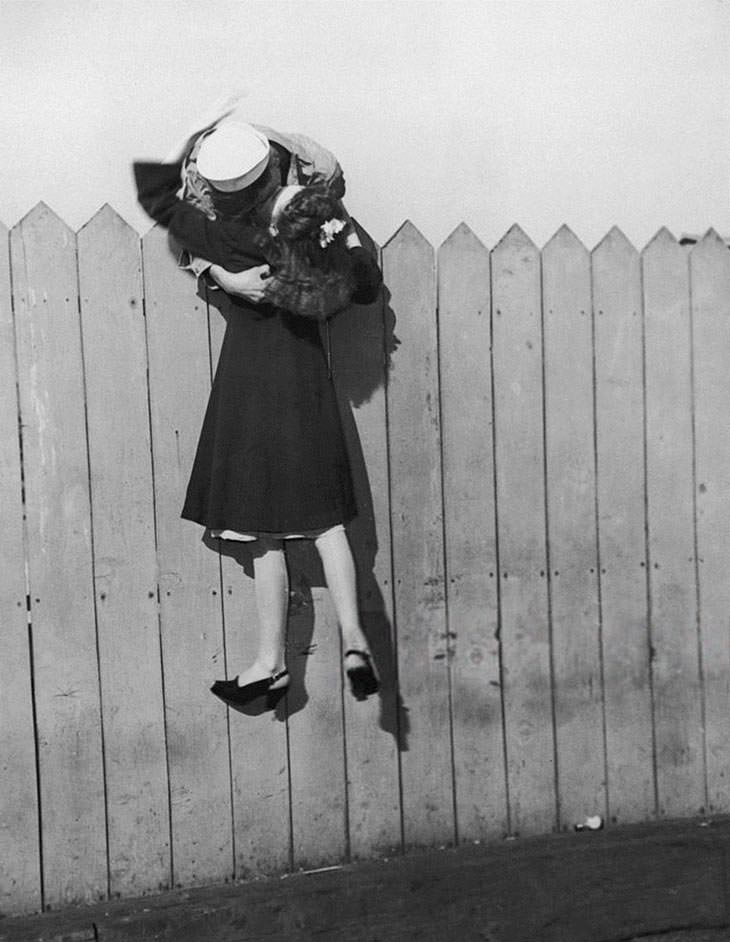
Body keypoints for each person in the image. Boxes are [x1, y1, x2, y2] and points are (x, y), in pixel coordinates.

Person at [134, 106, 382, 711]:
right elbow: (366, 284)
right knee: (323, 523)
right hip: (304, 375)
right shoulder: (311, 220)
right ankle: (349, 641)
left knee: (260, 528)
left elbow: (159, 197)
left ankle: (270, 660)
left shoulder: (225, 235)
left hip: (247, 378)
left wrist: (223, 274)